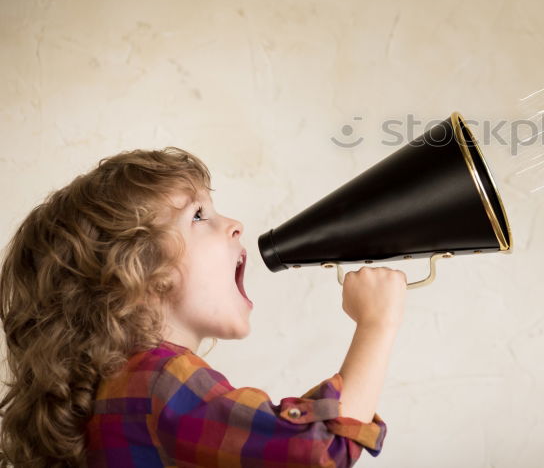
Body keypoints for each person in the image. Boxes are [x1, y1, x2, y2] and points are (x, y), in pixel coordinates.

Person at [0, 146, 406, 467]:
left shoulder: (121, 388)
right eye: (197, 215)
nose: (235, 225)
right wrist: (377, 322)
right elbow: (317, 450)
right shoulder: (160, 380)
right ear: (133, 272)